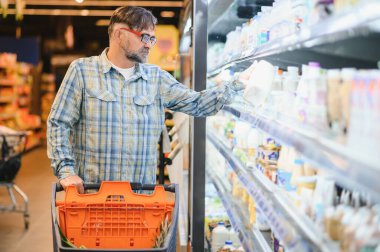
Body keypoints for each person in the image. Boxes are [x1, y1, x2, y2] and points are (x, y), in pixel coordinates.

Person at [47, 6, 254, 193]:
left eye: (152, 39)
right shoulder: (82, 71)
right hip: (93, 200)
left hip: (141, 203)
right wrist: (66, 171)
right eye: (144, 37)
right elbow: (58, 123)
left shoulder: (156, 78)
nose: (149, 45)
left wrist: (236, 84)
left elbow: (197, 103)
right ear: (120, 34)